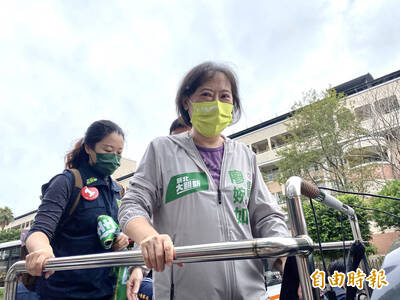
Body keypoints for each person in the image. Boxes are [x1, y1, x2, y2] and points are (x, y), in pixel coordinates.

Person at [119, 62, 289, 299]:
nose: (216, 103)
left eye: (224, 97)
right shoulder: (162, 150)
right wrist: (148, 236)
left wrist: (284, 255)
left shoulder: (245, 156)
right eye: (206, 95)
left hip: (250, 293)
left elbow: (266, 215)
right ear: (187, 102)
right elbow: (133, 204)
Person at [25, 120, 129, 300]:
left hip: (104, 290)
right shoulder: (67, 182)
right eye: (108, 150)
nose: (114, 157)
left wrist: (119, 240)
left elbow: (116, 231)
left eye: (119, 153)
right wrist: (41, 250)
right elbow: (39, 231)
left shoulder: (118, 190)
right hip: (62, 290)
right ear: (89, 148)